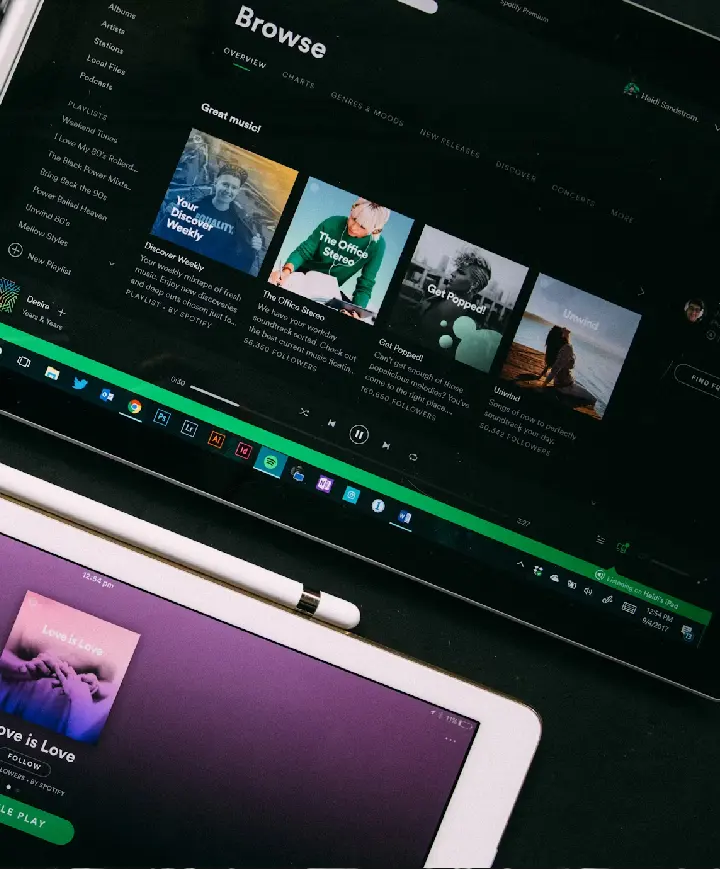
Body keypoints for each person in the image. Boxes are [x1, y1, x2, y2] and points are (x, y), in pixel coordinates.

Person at [270, 199, 390, 311]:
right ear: (352, 210)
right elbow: (303, 251)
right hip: (302, 274)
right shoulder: (332, 223)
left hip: (328, 289)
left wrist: (356, 311)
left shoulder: (377, 246)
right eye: (353, 218)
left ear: (376, 230)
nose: (353, 227)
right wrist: (286, 271)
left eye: (362, 227)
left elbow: (366, 283)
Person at [154, 164, 263, 274]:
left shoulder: (240, 223)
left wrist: (253, 247)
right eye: (225, 184)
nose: (228, 190)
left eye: (234, 187)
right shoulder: (191, 208)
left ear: (238, 191)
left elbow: (241, 262)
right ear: (216, 183)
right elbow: (164, 235)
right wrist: (169, 215)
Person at [543, 327, 597, 407]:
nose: (566, 329)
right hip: (566, 387)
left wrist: (543, 376)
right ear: (561, 335)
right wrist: (544, 384)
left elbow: (553, 366)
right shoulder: (567, 348)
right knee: (593, 399)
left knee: (582, 390)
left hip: (562, 384)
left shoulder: (556, 347)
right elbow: (555, 369)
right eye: (563, 329)